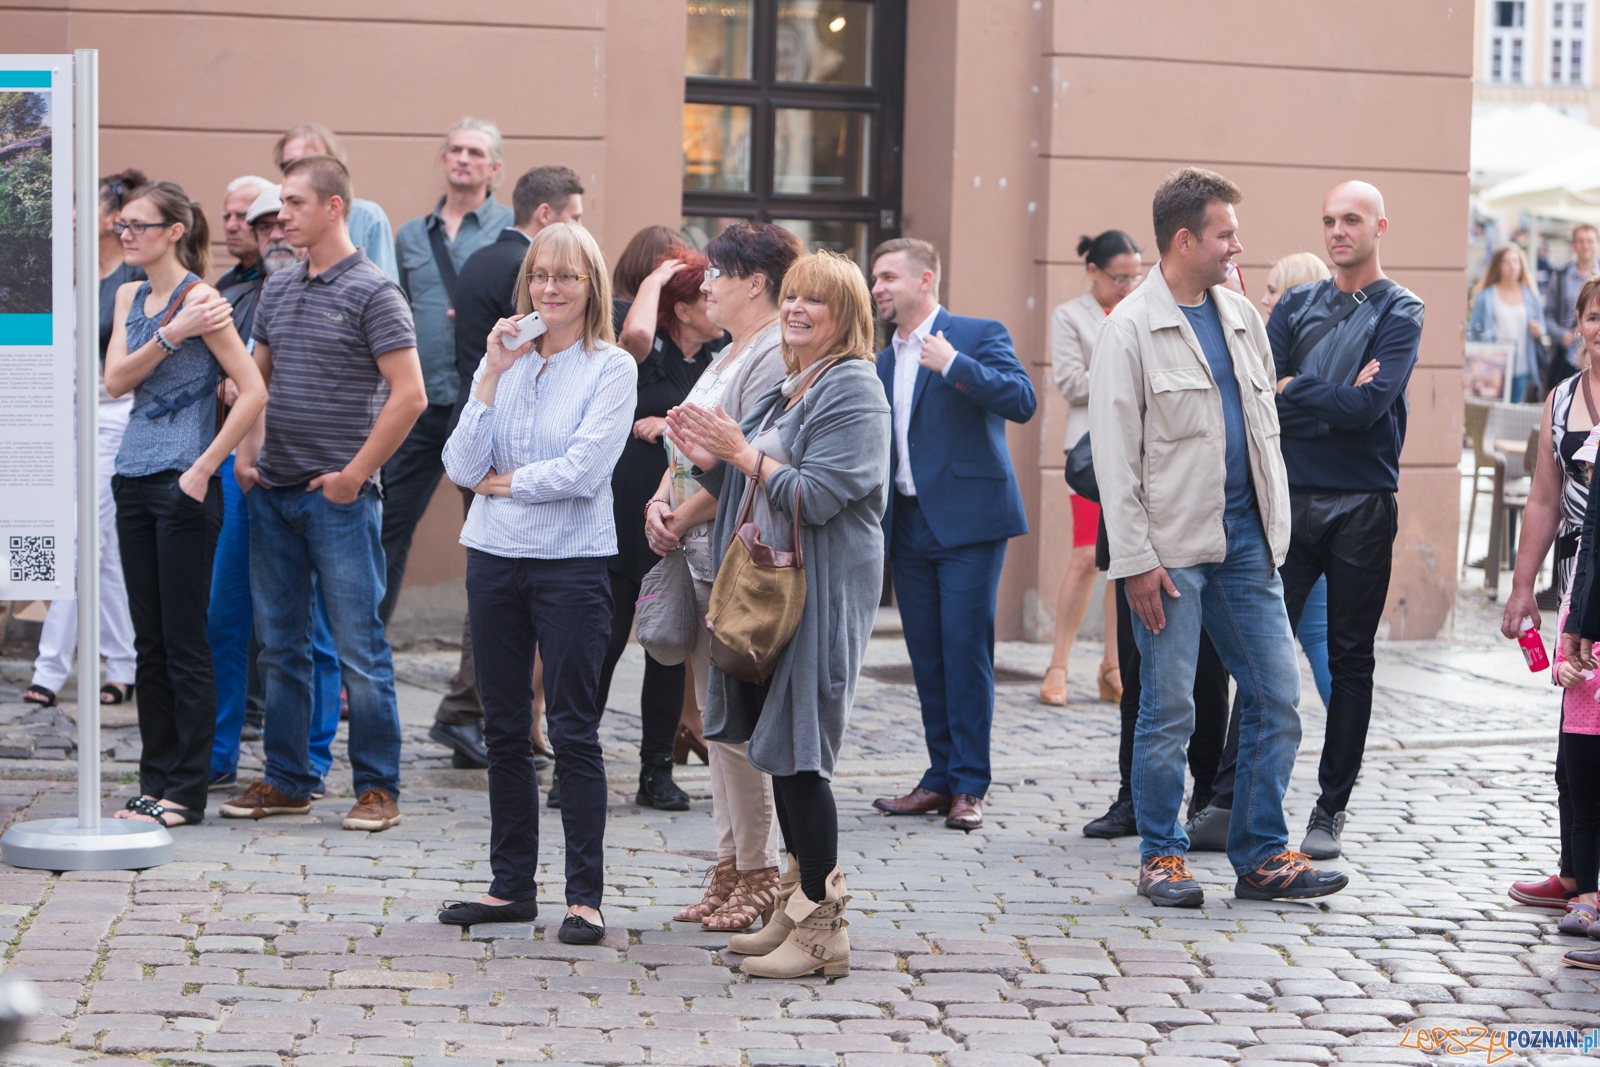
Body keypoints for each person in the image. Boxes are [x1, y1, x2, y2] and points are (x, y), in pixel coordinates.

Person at [1090, 167, 1348, 907]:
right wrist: (1136, 561)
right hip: (1169, 554)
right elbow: (1116, 456)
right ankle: (1162, 856)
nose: (1239, 244)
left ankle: (1263, 855)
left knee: (1277, 694)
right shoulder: (1131, 327)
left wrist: (1275, 533)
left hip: (1246, 546)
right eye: (1226, 233)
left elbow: (1263, 429)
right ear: (1185, 240)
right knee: (1170, 709)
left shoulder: (1239, 314)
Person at [665, 249, 891, 979]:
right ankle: (795, 909)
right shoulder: (795, 385)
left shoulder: (854, 387)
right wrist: (708, 451)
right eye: (791, 296)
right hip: (771, 594)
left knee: (800, 755)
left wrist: (741, 454)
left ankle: (824, 931)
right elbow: (745, 471)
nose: (795, 309)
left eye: (813, 301)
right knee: (779, 747)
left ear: (846, 315)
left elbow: (822, 495)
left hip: (819, 593)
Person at [436, 222, 636, 946]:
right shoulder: (510, 364)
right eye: (540, 277)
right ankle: (510, 885)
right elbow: (461, 465)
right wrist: (489, 372)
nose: (550, 289)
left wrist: (508, 482)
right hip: (493, 556)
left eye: (567, 277)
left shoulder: (610, 368)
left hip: (572, 564)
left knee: (573, 729)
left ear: (592, 288)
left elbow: (584, 472)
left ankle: (584, 896)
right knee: (503, 726)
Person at [220, 154, 427, 833]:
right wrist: (247, 457)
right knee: (280, 647)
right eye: (282, 203)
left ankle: (377, 787)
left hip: (339, 500)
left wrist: (352, 475)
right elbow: (257, 382)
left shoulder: (374, 291)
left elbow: (411, 395)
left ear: (334, 207)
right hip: (273, 494)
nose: (281, 215)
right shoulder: (277, 289)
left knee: (359, 647)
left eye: (295, 202)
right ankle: (288, 778)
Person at [1258, 181, 1423, 860]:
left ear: (1379, 225)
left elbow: (1372, 407)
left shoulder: (1401, 309)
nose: (1337, 231)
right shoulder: (1296, 302)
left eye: (1351, 219)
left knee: (1350, 657)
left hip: (1361, 501)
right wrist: (1326, 396)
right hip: (1291, 498)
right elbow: (1259, 393)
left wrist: (1300, 391)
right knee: (1262, 653)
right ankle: (1231, 798)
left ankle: (1330, 808)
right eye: (1328, 220)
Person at [645, 221, 800, 930]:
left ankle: (760, 868)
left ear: (756, 282)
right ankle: (730, 860)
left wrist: (685, 512)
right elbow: (683, 445)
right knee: (714, 719)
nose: (706, 283)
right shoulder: (726, 350)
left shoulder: (772, 354)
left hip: (731, 550)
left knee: (737, 724)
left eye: (718, 272)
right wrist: (659, 499)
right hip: (694, 545)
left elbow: (744, 464)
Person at [102, 180, 268, 828]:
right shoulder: (131, 295)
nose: (127, 233)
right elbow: (116, 380)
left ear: (174, 230)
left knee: (185, 639)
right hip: (132, 476)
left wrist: (204, 467)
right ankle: (155, 781)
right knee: (150, 642)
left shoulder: (204, 298)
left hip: (183, 482)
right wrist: (171, 334)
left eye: (139, 225)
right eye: (124, 225)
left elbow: (253, 391)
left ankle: (187, 790)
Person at [867, 238, 1036, 833]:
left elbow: (1022, 401)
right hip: (908, 523)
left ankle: (969, 784)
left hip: (968, 521)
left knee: (966, 651)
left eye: (889, 277)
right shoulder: (880, 360)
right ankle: (938, 779)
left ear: (926, 280)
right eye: (876, 279)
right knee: (927, 656)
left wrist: (956, 366)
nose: (879, 287)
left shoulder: (976, 333)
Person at [427, 165, 585, 771]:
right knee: (501, 583)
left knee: (495, 580)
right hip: (496, 433)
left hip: (488, 435)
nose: (553, 286)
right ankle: (475, 709)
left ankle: (481, 709)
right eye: (573, 216)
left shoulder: (478, 260)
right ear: (545, 216)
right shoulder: (516, 275)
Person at [1183, 250, 1337, 852]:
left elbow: (1359, 409)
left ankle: (1264, 831)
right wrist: (1313, 394)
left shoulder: (1267, 332)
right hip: (1249, 523)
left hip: (1284, 522)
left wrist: (1303, 391)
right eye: (1267, 289)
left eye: (1278, 289)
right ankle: (1209, 819)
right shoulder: (1244, 330)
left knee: (1284, 683)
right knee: (1219, 689)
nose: (1268, 297)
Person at [206, 184, 343, 794]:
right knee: (225, 617)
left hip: (314, 473)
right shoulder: (238, 293)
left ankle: (310, 759)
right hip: (247, 472)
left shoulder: (341, 287)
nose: (271, 232)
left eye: (275, 220)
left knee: (312, 627)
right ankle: (216, 753)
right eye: (260, 226)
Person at [592, 246, 718, 812]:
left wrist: (666, 428)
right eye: (705, 296)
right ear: (683, 309)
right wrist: (662, 277)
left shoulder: (717, 360)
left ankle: (655, 770)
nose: (716, 304)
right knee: (604, 642)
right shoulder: (646, 353)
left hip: (676, 521)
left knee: (666, 645)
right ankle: (576, 764)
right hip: (619, 516)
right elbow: (634, 336)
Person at [23, 169, 149, 711]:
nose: (72, 216)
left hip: (114, 415)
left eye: (84, 208)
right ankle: (124, 664)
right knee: (102, 549)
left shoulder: (133, 276)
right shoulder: (63, 271)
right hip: (60, 416)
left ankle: (49, 669)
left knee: (80, 539)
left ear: (113, 219)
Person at [385, 119, 514, 627]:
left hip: (484, 402)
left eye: (475, 153)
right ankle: (360, 657)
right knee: (385, 526)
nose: (463, 158)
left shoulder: (509, 230)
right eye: (455, 150)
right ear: (444, 161)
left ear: (495, 168)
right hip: (418, 400)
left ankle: (480, 682)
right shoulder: (412, 235)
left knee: (488, 535)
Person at [1499, 274, 1600, 914]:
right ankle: (1574, 871)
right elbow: (1543, 497)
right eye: (1594, 315)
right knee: (1577, 730)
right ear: (1579, 323)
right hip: (1576, 584)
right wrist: (1521, 586)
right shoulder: (1562, 399)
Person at [1040, 230, 1140, 708]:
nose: (1127, 286)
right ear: (1093, 272)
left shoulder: (1142, 308)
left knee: (1124, 562)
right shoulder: (1070, 316)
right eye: (1118, 277)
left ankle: (1112, 666)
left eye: (1134, 277)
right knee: (1085, 556)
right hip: (1090, 452)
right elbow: (1072, 383)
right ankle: (1058, 664)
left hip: (1136, 451)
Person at [273, 123, 397, 281]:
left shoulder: (367, 217)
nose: (299, 169)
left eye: (311, 161)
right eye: (288, 165)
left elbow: (383, 287)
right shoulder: (275, 216)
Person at [1470, 244, 1545, 403]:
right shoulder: (1486, 295)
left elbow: (1542, 328)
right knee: (1493, 413)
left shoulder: (1531, 295)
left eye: (1515, 261)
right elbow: (1473, 331)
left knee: (1514, 413)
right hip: (1495, 366)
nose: (1512, 266)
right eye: (1506, 262)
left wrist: (1538, 332)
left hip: (1523, 365)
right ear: (1498, 266)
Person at [1545, 223, 1599, 393]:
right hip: (1568, 358)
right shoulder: (1560, 277)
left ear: (1597, 243)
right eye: (1581, 241)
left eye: (1589, 241)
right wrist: (1561, 335)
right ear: (1574, 245)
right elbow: (1547, 314)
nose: (1585, 246)